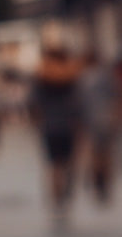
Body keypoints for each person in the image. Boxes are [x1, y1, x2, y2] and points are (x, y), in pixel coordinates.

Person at [29, 41, 83, 226]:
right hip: (69, 125)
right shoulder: (72, 75)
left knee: (54, 166)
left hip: (49, 125)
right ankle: (66, 197)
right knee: (68, 163)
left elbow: (33, 103)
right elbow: (79, 101)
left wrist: (37, 121)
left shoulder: (41, 76)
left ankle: (56, 200)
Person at [77, 50, 120, 205]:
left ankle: (97, 182)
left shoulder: (81, 78)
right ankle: (105, 185)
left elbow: (78, 104)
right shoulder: (107, 77)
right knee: (107, 154)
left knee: (94, 153)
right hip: (107, 119)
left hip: (90, 121)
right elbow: (116, 97)